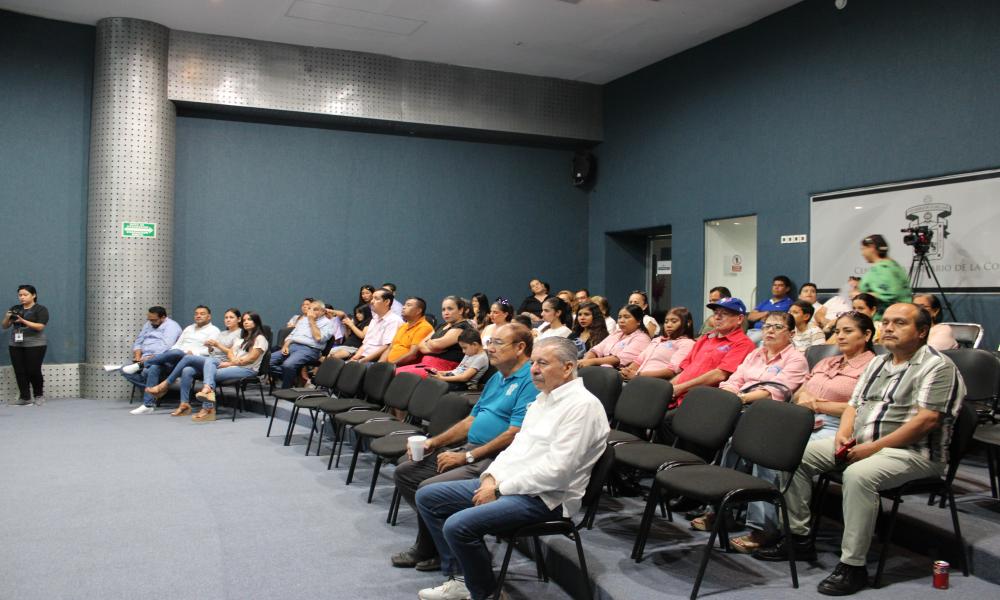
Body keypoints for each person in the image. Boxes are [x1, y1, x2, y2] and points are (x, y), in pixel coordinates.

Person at [754, 303, 965, 596]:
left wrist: (872, 448)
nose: (889, 327)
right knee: (795, 456)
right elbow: (854, 404)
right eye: (887, 322)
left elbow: (926, 420)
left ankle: (853, 566)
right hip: (864, 442)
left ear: (922, 331)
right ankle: (798, 538)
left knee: (858, 475)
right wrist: (842, 434)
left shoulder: (938, 367)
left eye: (900, 323)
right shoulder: (879, 363)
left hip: (914, 454)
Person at [415, 337, 609, 600]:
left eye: (543, 363)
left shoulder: (583, 407)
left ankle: (486, 594)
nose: (534, 369)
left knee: (457, 526)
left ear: (567, 367)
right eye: (533, 363)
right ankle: (463, 579)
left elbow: (557, 472)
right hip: (512, 484)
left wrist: (499, 489)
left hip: (547, 498)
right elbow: (516, 449)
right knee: (428, 497)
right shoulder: (544, 398)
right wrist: (490, 477)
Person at [391, 323, 538, 573]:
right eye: (489, 342)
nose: (489, 348)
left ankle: (454, 561)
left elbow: (515, 434)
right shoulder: (496, 378)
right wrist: (433, 442)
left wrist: (466, 456)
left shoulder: (529, 381)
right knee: (406, 473)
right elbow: (471, 420)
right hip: (471, 448)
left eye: (497, 343)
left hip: (494, 458)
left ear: (520, 347)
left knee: (429, 488)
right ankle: (434, 543)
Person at [704, 311, 809, 551]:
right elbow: (734, 380)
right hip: (742, 410)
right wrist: (731, 395)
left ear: (791, 334)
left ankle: (763, 528)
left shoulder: (796, 359)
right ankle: (722, 510)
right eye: (766, 326)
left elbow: (777, 392)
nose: (770, 330)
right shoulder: (755, 354)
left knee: (762, 453)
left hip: (772, 417)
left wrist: (738, 399)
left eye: (777, 327)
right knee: (729, 444)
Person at [795, 312, 878, 440]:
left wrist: (815, 405)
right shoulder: (826, 361)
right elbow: (797, 395)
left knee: (780, 451)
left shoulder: (875, 367)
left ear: (867, 334)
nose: (840, 336)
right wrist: (803, 395)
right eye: (837, 332)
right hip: (802, 420)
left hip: (837, 426)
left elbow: (866, 409)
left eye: (848, 331)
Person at [146, 308, 243, 416]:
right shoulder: (223, 333)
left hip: (221, 363)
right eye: (226, 317)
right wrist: (211, 347)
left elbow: (233, 353)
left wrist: (216, 345)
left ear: (239, 319)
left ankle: (164, 385)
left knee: (187, 358)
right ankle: (184, 404)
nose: (228, 320)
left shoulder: (240, 333)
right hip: (211, 360)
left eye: (231, 317)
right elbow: (213, 352)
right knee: (187, 370)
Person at [126, 306, 219, 415]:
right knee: (156, 367)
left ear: (209, 317)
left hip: (195, 359)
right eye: (196, 313)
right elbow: (177, 345)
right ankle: (148, 405)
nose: (198, 316)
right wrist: (180, 352)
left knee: (184, 364)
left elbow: (212, 351)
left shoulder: (214, 330)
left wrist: (194, 353)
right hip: (179, 357)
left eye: (202, 314)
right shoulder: (189, 328)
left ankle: (143, 366)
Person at [669, 297, 756, 406]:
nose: (717, 317)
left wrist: (680, 388)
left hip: (703, 401)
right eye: (715, 313)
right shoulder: (706, 337)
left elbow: (720, 375)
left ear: (739, 319)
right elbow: (686, 370)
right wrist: (668, 388)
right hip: (678, 395)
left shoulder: (743, 343)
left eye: (724, 313)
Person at [396, 296, 475, 377]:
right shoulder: (442, 325)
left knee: (400, 375)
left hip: (442, 369)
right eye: (443, 309)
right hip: (424, 365)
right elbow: (420, 345)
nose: (446, 312)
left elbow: (437, 345)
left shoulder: (463, 326)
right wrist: (432, 346)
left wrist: (429, 343)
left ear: (461, 310)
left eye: (450, 309)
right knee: (392, 372)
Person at [269, 298, 338, 389]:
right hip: (292, 346)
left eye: (315, 309)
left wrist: (312, 321)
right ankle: (294, 376)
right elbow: (292, 336)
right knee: (267, 362)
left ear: (323, 311)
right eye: (310, 308)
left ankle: (285, 390)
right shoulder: (303, 320)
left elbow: (318, 338)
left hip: (310, 350)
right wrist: (285, 345)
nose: (311, 311)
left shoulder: (328, 323)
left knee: (288, 365)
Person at [3, 284, 49, 405]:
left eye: (25, 295)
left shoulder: (40, 309)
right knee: (19, 370)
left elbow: (40, 326)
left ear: (33, 295)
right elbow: (4, 326)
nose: (22, 297)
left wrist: (23, 321)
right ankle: (25, 397)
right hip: (16, 343)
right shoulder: (15, 308)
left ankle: (38, 395)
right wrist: (7, 317)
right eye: (20, 295)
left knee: (33, 370)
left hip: (35, 344)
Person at [620, 307, 695, 381]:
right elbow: (638, 361)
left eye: (674, 321)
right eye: (666, 322)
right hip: (638, 379)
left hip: (656, 383)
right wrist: (627, 371)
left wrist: (638, 375)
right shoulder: (657, 340)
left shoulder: (687, 343)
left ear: (688, 323)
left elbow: (672, 372)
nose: (668, 325)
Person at [577, 304, 651, 369]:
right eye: (619, 317)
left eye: (626, 317)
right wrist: (584, 361)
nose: (621, 320)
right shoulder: (617, 333)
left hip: (620, 375)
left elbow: (618, 359)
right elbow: (596, 350)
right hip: (601, 369)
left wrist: (591, 362)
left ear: (638, 321)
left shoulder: (642, 338)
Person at [858, 234, 912, 319]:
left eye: (863, 249)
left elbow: (888, 295)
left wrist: (859, 294)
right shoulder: (892, 265)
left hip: (885, 321)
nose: (862, 253)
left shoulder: (883, 268)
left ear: (872, 248)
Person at [345, 288, 402, 363]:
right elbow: (366, 343)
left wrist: (363, 360)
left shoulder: (394, 320)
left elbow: (387, 347)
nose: (372, 301)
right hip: (363, 357)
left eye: (376, 299)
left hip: (375, 360)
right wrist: (355, 357)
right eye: (372, 298)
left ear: (387, 302)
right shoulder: (374, 319)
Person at [382, 297, 435, 366]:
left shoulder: (424, 327)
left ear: (418, 311)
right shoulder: (403, 326)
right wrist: (380, 364)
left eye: (408, 305)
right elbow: (390, 348)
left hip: (403, 367)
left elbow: (412, 355)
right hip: (388, 365)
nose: (403, 307)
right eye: (404, 305)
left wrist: (389, 366)